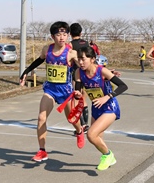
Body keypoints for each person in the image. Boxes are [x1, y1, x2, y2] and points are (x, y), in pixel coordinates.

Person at [19, 21, 85, 162]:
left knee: (71, 119)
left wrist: (100, 75)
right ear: (52, 36)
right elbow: (39, 60)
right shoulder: (46, 49)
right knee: (41, 118)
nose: (62, 37)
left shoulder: (72, 53)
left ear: (68, 36)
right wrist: (26, 71)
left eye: (64, 34)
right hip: (50, 90)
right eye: (58, 34)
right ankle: (42, 151)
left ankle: (79, 131)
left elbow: (84, 67)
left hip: (66, 92)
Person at [73, 46, 128, 170]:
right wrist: (77, 94)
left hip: (109, 106)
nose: (80, 62)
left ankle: (108, 155)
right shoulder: (78, 72)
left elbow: (123, 86)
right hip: (96, 108)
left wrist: (107, 97)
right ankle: (108, 158)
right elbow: (78, 92)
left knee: (91, 134)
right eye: (79, 59)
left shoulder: (102, 71)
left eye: (83, 59)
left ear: (92, 59)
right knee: (97, 138)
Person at [69, 23, 90, 134]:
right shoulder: (86, 43)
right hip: (86, 73)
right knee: (84, 99)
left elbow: (69, 60)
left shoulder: (70, 45)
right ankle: (86, 125)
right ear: (81, 33)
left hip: (76, 73)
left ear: (70, 33)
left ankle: (81, 125)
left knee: (77, 99)